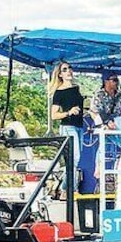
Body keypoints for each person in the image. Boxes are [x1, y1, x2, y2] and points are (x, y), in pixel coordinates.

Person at [48, 61, 84, 195]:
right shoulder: (59, 92)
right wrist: (69, 112)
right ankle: (69, 189)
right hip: (68, 126)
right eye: (65, 69)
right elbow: (54, 115)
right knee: (74, 158)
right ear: (60, 74)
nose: (69, 71)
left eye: (69, 68)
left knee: (77, 159)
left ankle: (64, 187)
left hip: (79, 126)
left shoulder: (76, 88)